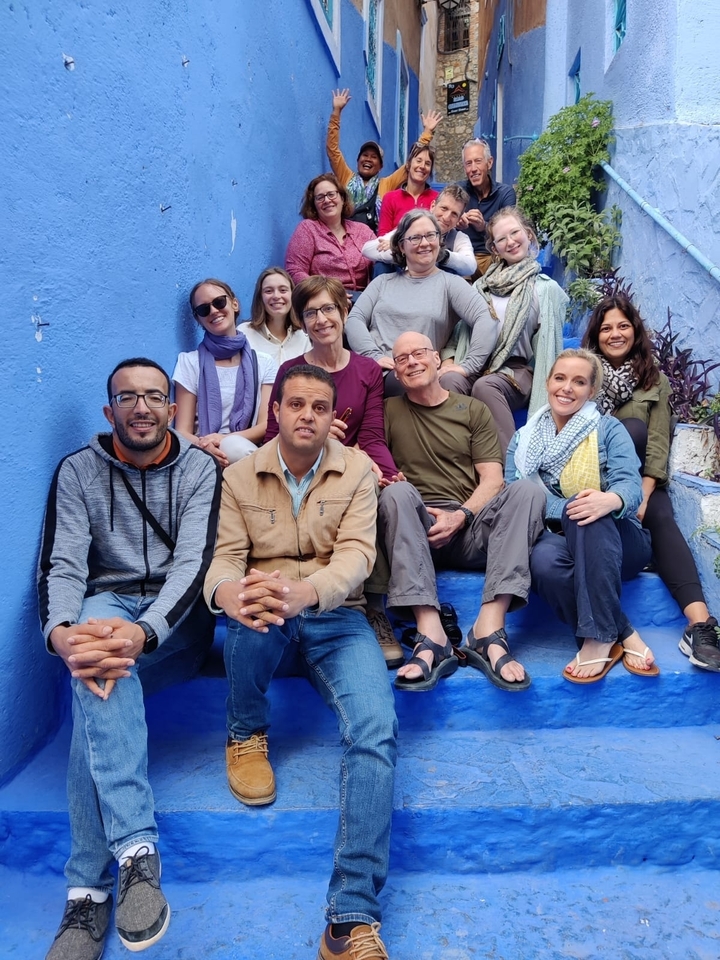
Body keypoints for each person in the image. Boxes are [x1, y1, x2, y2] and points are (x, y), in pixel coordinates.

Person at [205, 364, 398, 960]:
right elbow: (225, 559)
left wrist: (308, 592)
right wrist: (228, 595)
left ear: (332, 414)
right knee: (253, 610)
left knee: (376, 730)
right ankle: (246, 733)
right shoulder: (240, 475)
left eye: (320, 406)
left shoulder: (358, 470)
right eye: (296, 404)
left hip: (335, 616)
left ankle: (350, 919)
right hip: (265, 610)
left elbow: (359, 556)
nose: (307, 415)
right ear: (278, 412)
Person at [38, 358, 222, 960]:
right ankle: (137, 853)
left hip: (176, 621)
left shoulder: (198, 467)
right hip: (106, 603)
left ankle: (86, 892)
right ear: (108, 410)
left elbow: (194, 565)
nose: (141, 407)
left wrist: (145, 632)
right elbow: (62, 563)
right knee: (93, 646)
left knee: (102, 666)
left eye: (153, 396)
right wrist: (61, 632)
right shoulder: (77, 471)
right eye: (127, 397)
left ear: (172, 407)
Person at [378, 332, 547, 691]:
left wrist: (461, 517)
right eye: (402, 358)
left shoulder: (472, 409)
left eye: (419, 353)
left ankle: (489, 629)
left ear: (438, 359)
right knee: (396, 494)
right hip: (415, 528)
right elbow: (373, 464)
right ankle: (431, 634)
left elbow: (492, 480)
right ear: (394, 370)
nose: (411, 361)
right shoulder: (387, 411)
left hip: (470, 527)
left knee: (527, 491)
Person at [583, 295, 720, 671]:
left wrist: (640, 495)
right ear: (596, 334)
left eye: (623, 326)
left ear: (635, 330)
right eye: (606, 327)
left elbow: (657, 441)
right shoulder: (581, 375)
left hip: (640, 481)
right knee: (628, 429)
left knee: (661, 515)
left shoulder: (653, 380)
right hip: (591, 480)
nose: (615, 334)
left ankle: (700, 625)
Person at [506, 348, 657, 683]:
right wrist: (573, 505)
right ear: (548, 382)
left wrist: (610, 499)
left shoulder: (608, 429)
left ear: (591, 391)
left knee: (588, 509)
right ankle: (623, 632)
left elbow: (631, 488)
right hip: (556, 542)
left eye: (579, 381)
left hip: (620, 541)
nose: (567, 388)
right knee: (543, 562)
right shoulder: (523, 440)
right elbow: (513, 498)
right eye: (560, 378)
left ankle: (599, 639)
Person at [441, 206, 567, 455]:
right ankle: (454, 463)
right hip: (475, 364)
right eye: (501, 239)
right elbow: (460, 333)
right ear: (494, 247)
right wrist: (450, 360)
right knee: (448, 380)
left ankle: (509, 466)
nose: (510, 242)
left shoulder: (545, 289)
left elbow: (548, 350)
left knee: (486, 386)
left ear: (528, 234)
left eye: (515, 233)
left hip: (517, 371)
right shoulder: (481, 286)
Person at [345, 210, 498, 396]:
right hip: (375, 370)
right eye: (415, 238)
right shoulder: (382, 282)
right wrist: (372, 355)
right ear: (401, 246)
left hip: (413, 375)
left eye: (430, 235)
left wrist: (468, 366)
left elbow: (486, 318)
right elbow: (354, 319)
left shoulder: (450, 284)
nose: (424, 243)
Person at [173, 278, 277, 469]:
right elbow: (181, 431)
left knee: (235, 447)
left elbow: (264, 426)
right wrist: (205, 447)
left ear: (234, 304)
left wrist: (224, 440)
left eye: (219, 302)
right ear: (198, 319)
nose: (213, 311)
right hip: (201, 456)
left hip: (245, 451)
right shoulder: (189, 362)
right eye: (204, 309)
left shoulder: (264, 363)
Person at [326, 86, 442, 232]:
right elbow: (333, 151)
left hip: (372, 242)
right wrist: (336, 112)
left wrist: (427, 133)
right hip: (346, 239)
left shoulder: (387, 184)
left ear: (380, 166)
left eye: (374, 157)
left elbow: (412, 163)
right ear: (358, 161)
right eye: (365, 155)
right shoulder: (346, 177)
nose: (368, 159)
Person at [285, 173, 375, 302]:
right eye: (320, 197)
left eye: (331, 194)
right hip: (325, 300)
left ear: (342, 198)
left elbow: (379, 255)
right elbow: (295, 270)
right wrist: (325, 292)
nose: (327, 200)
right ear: (314, 205)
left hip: (364, 300)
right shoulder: (308, 229)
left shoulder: (362, 230)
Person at [362, 184, 475, 277]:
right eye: (444, 208)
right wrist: (397, 246)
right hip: (403, 288)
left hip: (436, 293)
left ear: (459, 219)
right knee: (381, 265)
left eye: (454, 214)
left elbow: (470, 267)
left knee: (451, 270)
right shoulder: (411, 226)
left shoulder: (459, 238)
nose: (446, 217)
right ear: (433, 206)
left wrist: (442, 255)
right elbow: (367, 250)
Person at [458, 137, 516, 280]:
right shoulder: (457, 191)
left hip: (494, 256)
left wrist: (483, 226)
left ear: (489, 163)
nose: (473, 169)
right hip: (464, 255)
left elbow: (508, 231)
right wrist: (455, 221)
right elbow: (441, 220)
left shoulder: (505, 193)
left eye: (478, 161)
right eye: (468, 163)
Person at [238, 266, 310, 365]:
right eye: (268, 291)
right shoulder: (244, 334)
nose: (276, 296)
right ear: (260, 298)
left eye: (283, 290)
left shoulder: (305, 335)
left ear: (293, 295)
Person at [376, 141, 438, 236]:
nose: (422, 166)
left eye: (428, 163)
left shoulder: (437, 199)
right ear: (408, 165)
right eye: (418, 161)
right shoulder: (390, 198)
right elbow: (382, 236)